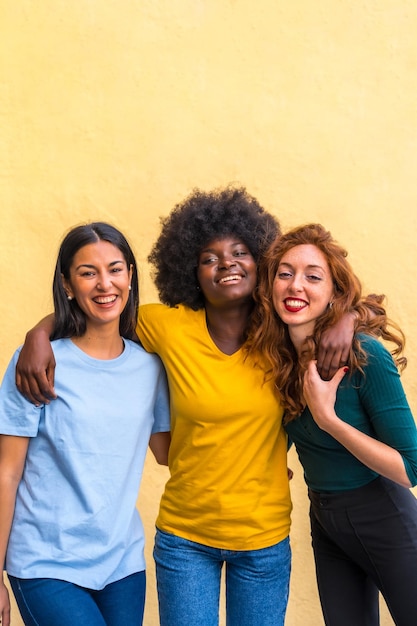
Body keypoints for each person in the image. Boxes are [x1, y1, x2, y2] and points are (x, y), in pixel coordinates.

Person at [15, 188, 357, 626]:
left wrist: (347, 319)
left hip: (263, 540)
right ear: (190, 272)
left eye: (239, 252)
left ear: (260, 261)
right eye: (209, 258)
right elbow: (95, 309)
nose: (226, 263)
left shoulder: (283, 330)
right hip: (185, 538)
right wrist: (38, 335)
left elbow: (342, 300)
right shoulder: (168, 325)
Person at [0, 222, 170, 626]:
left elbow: (170, 453)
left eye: (115, 269)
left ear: (130, 275)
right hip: (45, 561)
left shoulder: (150, 367)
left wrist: (255, 460)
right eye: (87, 272)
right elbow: (6, 471)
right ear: (68, 285)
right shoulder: (36, 363)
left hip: (122, 563)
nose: (104, 284)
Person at [248, 222, 417, 626]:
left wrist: (329, 419)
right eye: (285, 274)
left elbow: (409, 468)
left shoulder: (365, 355)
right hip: (326, 523)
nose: (295, 286)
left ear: (334, 292)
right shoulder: (277, 360)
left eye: (312, 276)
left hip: (386, 518)